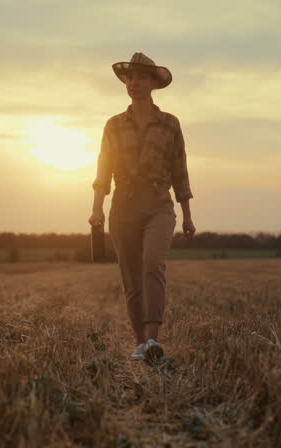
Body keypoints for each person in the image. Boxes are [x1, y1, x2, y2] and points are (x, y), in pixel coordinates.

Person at [89, 52, 196, 364]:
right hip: (122, 204)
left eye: (140, 77)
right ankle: (140, 343)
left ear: (153, 84)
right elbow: (102, 171)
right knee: (131, 277)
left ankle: (151, 338)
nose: (133, 83)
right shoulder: (113, 125)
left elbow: (180, 171)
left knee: (152, 263)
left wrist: (187, 214)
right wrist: (97, 210)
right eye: (129, 77)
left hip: (159, 202)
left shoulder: (170, 124)